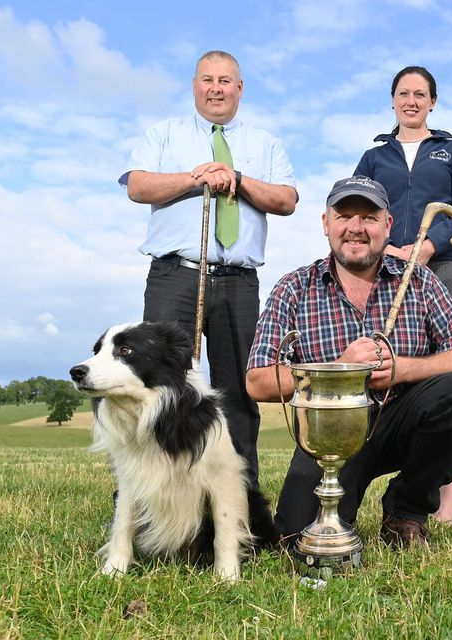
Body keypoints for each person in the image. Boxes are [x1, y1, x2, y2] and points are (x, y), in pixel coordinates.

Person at [246, 176, 452, 548]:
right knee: (296, 541)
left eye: (369, 217)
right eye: (344, 216)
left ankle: (406, 510)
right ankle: (335, 509)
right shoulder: (294, 287)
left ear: (387, 226)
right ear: (326, 223)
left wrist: (401, 369)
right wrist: (340, 368)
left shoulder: (421, 282)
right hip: (331, 436)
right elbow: (258, 381)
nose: (356, 228)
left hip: (403, 420)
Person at [119, 50, 298, 487]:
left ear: (240, 88)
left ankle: (240, 500)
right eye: (207, 80)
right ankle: (153, 494)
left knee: (237, 390)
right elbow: (137, 187)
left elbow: (287, 200)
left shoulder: (266, 143)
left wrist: (236, 178)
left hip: (238, 282)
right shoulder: (163, 133)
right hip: (175, 275)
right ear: (194, 86)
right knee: (160, 385)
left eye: (225, 80)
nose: (215, 88)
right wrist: (196, 178)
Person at [354, 66, 452, 523]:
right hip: (383, 268)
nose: (412, 100)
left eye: (420, 94)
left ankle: (445, 501)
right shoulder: (373, 156)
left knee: (449, 370)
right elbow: (358, 205)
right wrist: (386, 248)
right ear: (393, 101)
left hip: (440, 266)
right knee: (389, 360)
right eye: (404, 93)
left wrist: (427, 248)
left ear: (433, 101)